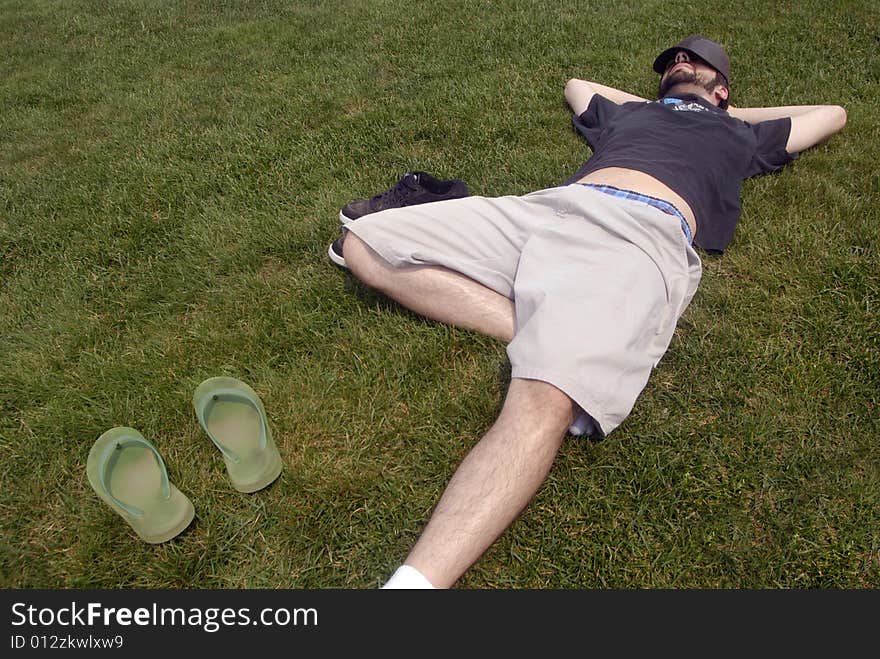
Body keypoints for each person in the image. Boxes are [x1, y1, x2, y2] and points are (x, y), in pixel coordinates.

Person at [339, 35, 847, 589]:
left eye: (695, 63)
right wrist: (675, 100)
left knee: (544, 399)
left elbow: (831, 114)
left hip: (638, 234)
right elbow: (577, 86)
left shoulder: (743, 135)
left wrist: (718, 110)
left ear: (724, 87)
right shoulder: (629, 114)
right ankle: (537, 327)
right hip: (548, 209)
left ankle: (410, 587)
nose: (680, 63)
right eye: (673, 62)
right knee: (363, 243)